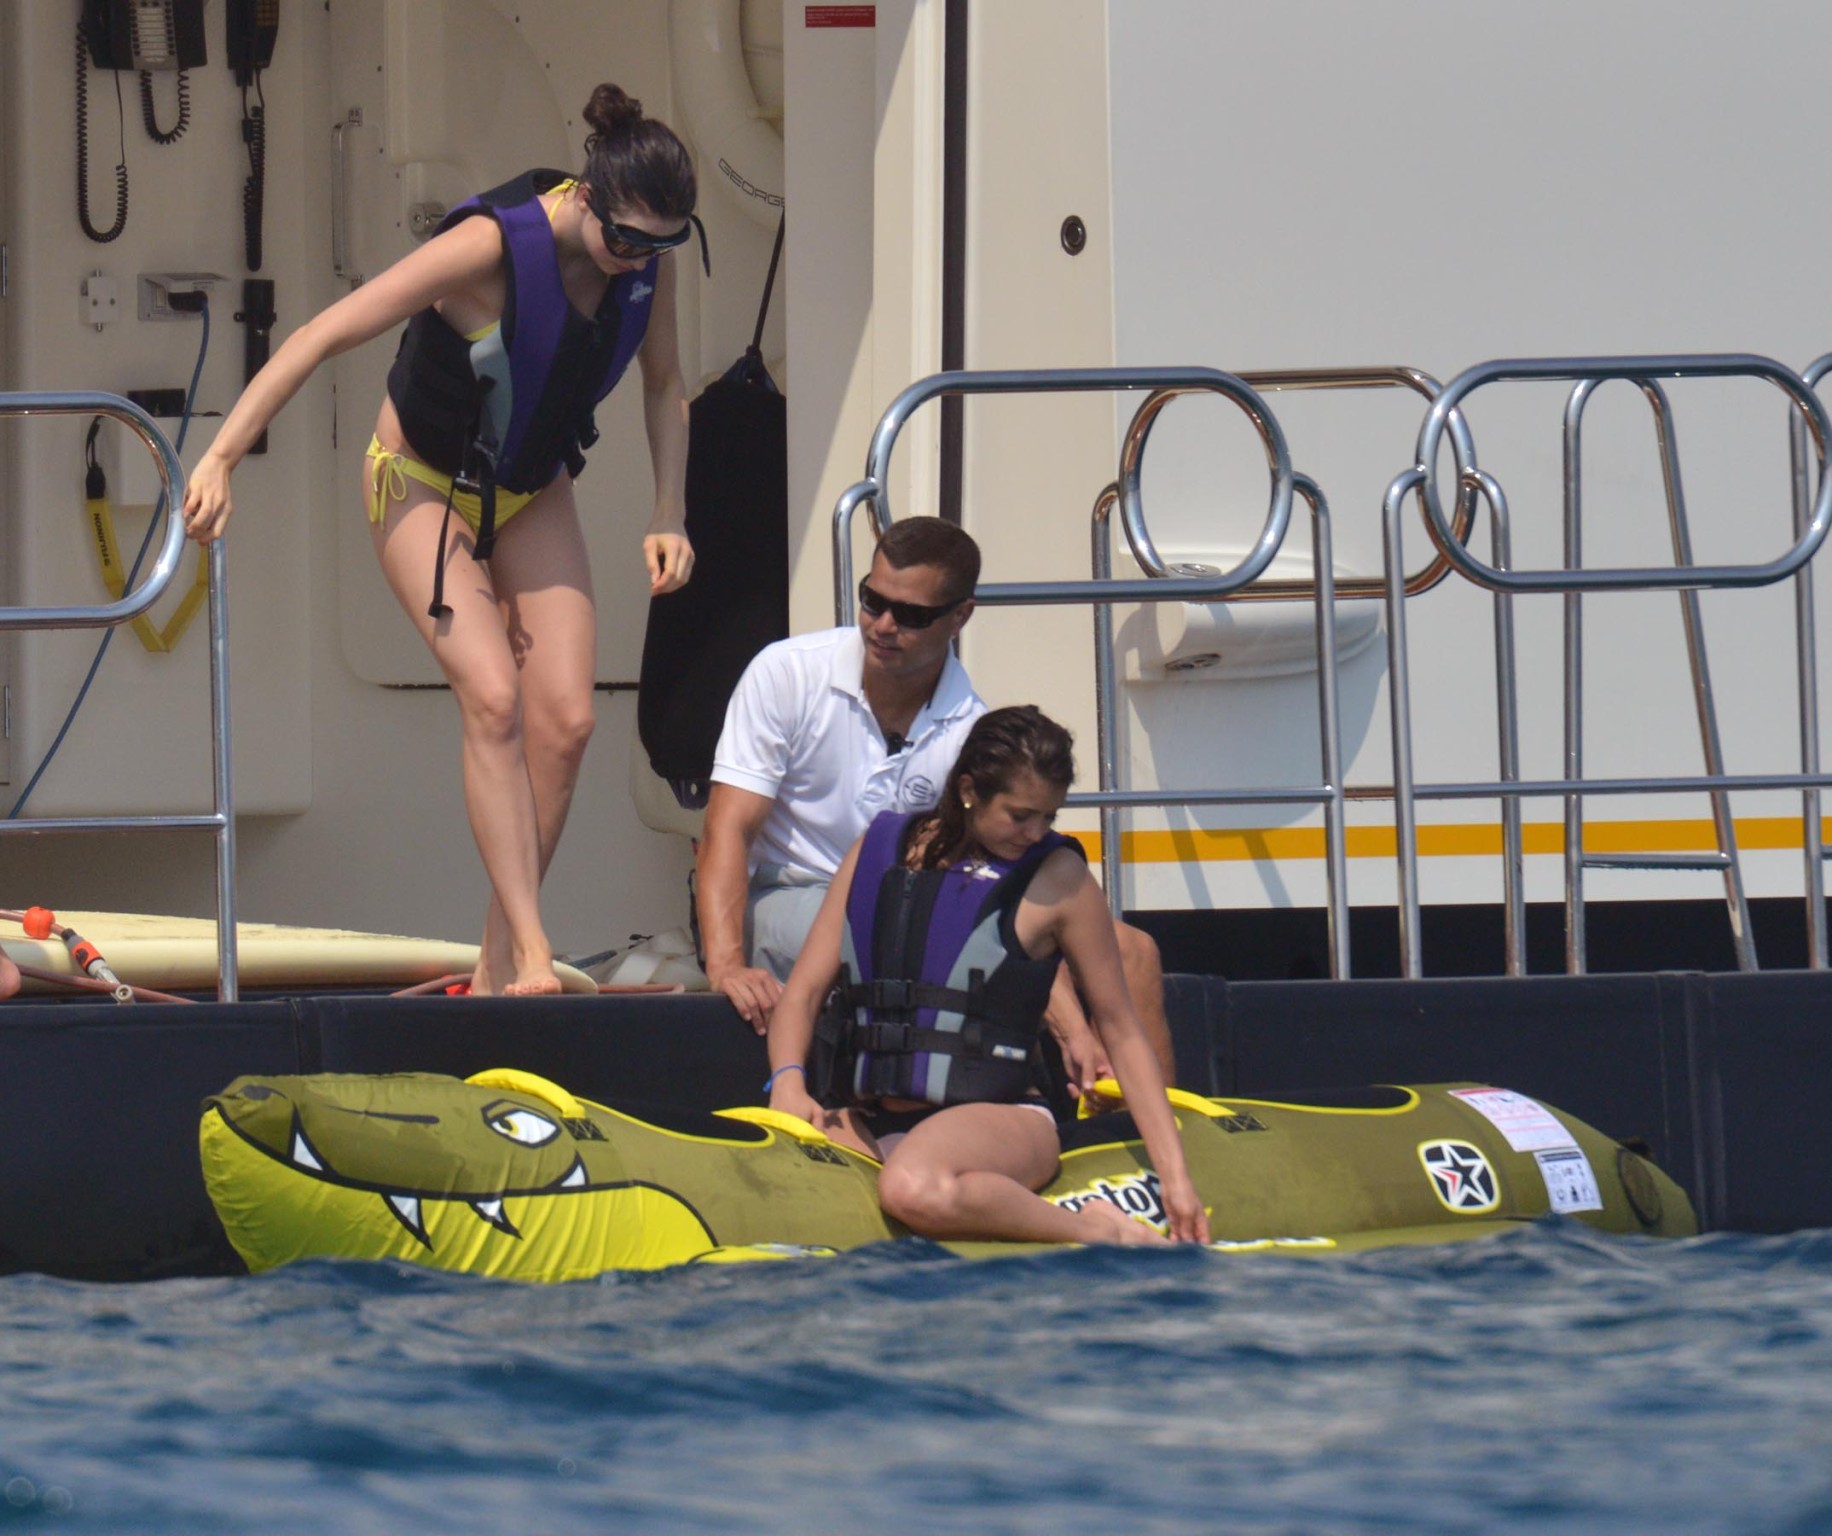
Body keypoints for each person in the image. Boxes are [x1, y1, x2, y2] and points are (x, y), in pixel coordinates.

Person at [181, 85, 700, 996]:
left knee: (568, 721)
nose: (638, 262)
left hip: (530, 485)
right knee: (494, 697)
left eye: (662, 245)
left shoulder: (645, 264)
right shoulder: (490, 248)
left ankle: (503, 955)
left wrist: (669, 510)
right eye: (627, 239)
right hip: (421, 481)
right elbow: (320, 335)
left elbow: (665, 384)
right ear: (587, 197)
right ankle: (535, 957)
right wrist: (221, 454)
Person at [697, 517, 1177, 1091]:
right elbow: (728, 827)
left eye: (912, 614)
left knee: (1133, 953)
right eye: (872, 600)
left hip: (910, 901)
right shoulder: (786, 673)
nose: (883, 624)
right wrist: (723, 964)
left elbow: (996, 888)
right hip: (790, 895)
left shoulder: (969, 727)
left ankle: (1160, 1148)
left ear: (961, 616)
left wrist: (1071, 1013)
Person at [763, 706, 1209, 1246]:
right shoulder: (877, 851)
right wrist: (787, 1080)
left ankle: (1097, 1231)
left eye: (1049, 817)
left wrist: (1177, 1179)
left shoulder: (1059, 879)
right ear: (970, 789)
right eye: (1021, 815)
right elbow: (805, 991)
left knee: (911, 1189)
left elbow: (1121, 1028)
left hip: (1000, 1118)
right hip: (868, 1117)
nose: (1035, 832)